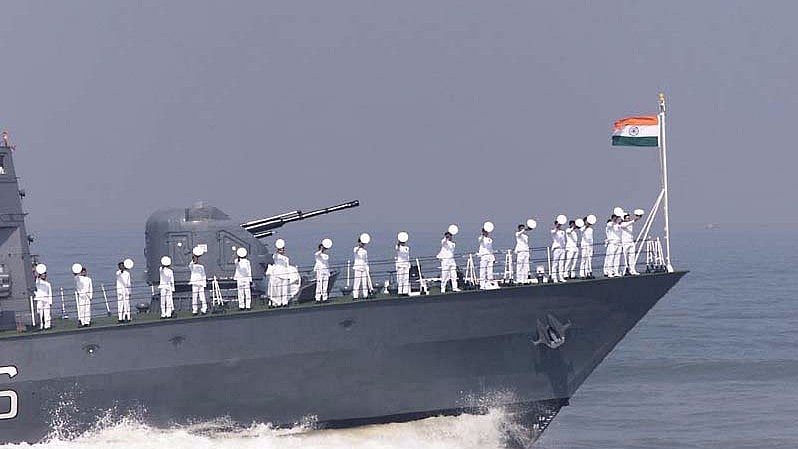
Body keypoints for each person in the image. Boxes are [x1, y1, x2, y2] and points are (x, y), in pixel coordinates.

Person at [620, 209, 643, 275]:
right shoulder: (622, 224)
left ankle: (632, 270)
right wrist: (634, 220)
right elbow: (625, 225)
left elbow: (630, 223)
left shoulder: (630, 224)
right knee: (624, 257)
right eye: (627, 218)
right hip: (625, 242)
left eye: (628, 218)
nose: (628, 219)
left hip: (631, 241)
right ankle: (623, 270)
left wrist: (637, 217)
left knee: (632, 256)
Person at [437, 225, 460, 292]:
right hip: (445, 260)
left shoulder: (453, 244)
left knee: (454, 275)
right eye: (448, 236)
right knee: (444, 275)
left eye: (450, 236)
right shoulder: (444, 242)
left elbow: (451, 247)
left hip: (451, 260)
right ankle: (443, 288)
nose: (450, 237)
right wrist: (445, 238)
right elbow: (444, 242)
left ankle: (455, 287)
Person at [603, 208, 623, 277]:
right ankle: (609, 272)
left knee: (617, 258)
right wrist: (613, 221)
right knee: (610, 258)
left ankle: (616, 271)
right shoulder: (609, 225)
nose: (616, 218)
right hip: (612, 243)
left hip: (619, 243)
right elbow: (610, 225)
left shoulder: (618, 225)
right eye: (615, 217)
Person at [271, 239, 291, 306]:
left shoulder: (286, 258)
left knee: (285, 289)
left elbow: (287, 267)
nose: (282, 251)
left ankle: (285, 302)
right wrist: (278, 250)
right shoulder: (275, 256)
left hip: (285, 274)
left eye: (282, 249)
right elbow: (275, 257)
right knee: (278, 289)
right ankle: (278, 302)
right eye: (280, 250)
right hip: (278, 274)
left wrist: (289, 275)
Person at [189, 247, 208, 314]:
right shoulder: (192, 266)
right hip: (194, 283)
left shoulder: (201, 267)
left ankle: (204, 309)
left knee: (202, 296)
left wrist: (204, 284)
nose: (196, 260)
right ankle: (195, 310)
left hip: (201, 283)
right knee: (194, 297)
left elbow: (203, 275)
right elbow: (190, 264)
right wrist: (194, 258)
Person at [478, 221, 496, 289]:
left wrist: (493, 257)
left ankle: (490, 282)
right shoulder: (481, 238)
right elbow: (480, 240)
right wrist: (482, 235)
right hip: (484, 256)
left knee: (490, 270)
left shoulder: (490, 239)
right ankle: (482, 284)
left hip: (490, 256)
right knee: (482, 270)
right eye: (485, 232)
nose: (486, 233)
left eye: (487, 232)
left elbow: (491, 249)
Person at [34, 264, 52, 330]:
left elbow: (50, 293)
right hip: (39, 299)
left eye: (45, 274)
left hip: (46, 299)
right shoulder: (38, 282)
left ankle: (47, 325)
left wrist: (50, 302)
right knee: (40, 313)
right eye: (43, 274)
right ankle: (40, 325)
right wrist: (36, 269)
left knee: (47, 313)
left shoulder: (48, 284)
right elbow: (35, 277)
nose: (44, 275)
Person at [352, 233, 370, 300]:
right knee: (357, 282)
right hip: (357, 268)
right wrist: (359, 246)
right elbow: (356, 251)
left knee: (364, 282)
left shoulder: (365, 251)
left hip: (364, 268)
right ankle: (355, 296)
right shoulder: (355, 249)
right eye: (361, 243)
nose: (362, 244)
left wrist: (367, 268)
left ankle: (365, 295)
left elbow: (366, 260)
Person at [115, 258, 133, 323]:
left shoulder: (127, 273)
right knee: (120, 304)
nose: (121, 267)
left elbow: (129, 282)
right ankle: (120, 318)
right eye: (120, 266)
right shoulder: (118, 273)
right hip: (120, 291)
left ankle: (128, 317)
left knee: (127, 304)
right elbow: (118, 275)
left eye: (122, 266)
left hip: (126, 291)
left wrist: (129, 291)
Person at [550, 215, 567, 283]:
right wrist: (556, 227)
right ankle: (554, 277)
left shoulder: (562, 231)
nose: (559, 225)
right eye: (558, 224)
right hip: (556, 249)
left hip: (562, 248)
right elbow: (554, 232)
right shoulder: (553, 231)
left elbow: (563, 240)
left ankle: (561, 277)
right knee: (555, 263)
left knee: (561, 263)